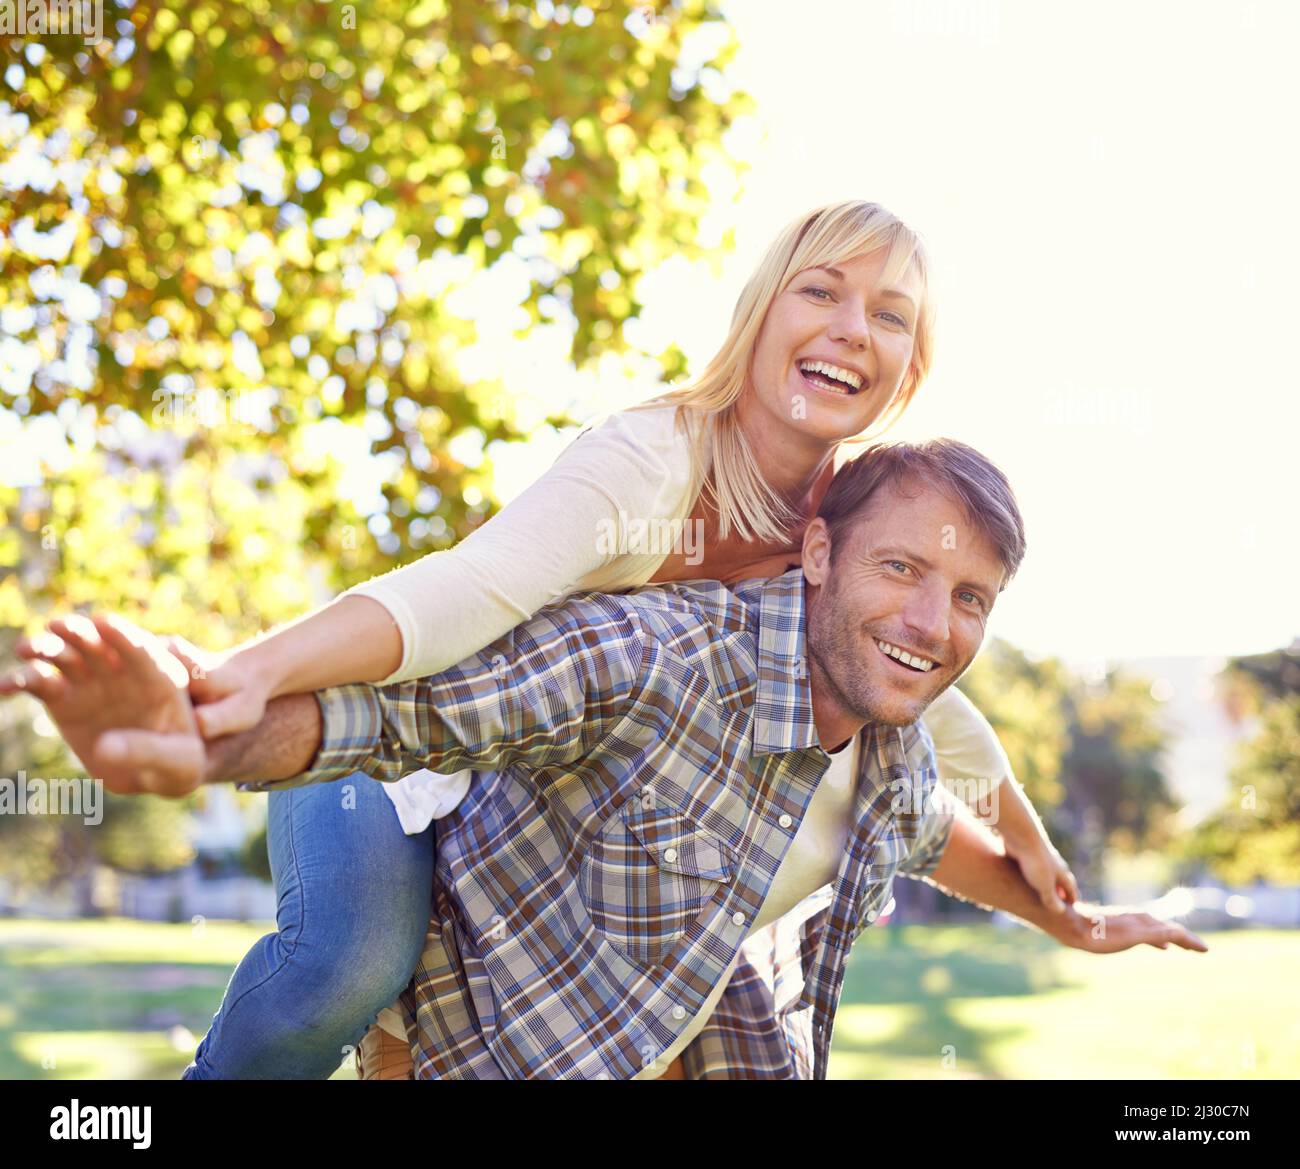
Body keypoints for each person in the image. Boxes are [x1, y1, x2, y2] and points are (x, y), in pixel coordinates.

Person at [13, 200, 1077, 1079]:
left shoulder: (845, 523)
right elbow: (468, 589)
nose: (852, 325)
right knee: (350, 958)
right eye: (821, 290)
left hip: (520, 796)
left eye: (889, 313)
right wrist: (232, 680)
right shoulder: (655, 461)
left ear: (909, 364)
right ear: (759, 315)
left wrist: (1026, 838)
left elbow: (929, 687)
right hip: (397, 746)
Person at [4, 439, 1206, 1079]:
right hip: (391, 784)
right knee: (347, 956)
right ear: (818, 551)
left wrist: (1077, 921)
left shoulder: (894, 752)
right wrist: (202, 728)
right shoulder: (660, 650)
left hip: (573, 984)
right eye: (900, 569)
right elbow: (397, 712)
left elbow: (941, 835)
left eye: (969, 599)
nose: (933, 622)